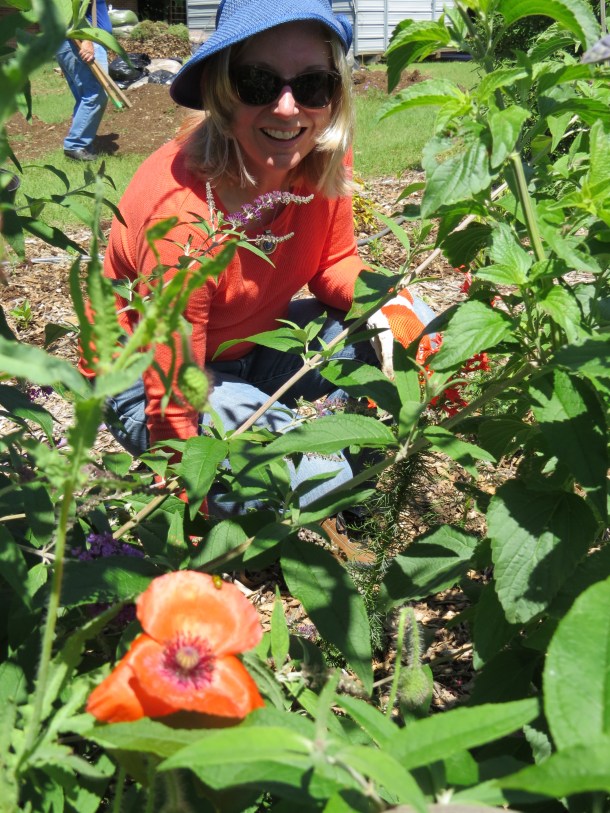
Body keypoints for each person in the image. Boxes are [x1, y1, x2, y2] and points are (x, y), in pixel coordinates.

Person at [86, 0, 437, 515]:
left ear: (334, 95)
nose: (290, 109)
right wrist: (192, 492)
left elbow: (334, 261)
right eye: (258, 83)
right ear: (220, 92)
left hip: (246, 346)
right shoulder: (181, 217)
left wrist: (395, 308)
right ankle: (305, 485)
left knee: (412, 326)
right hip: (149, 382)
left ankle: (316, 453)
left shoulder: (318, 154)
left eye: (314, 85)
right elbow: (171, 387)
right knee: (317, 484)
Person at [56, 0, 112, 161]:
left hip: (69, 43)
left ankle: (82, 147)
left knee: (85, 97)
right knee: (96, 93)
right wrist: (87, 40)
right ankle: (75, 145)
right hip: (80, 41)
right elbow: (74, 9)